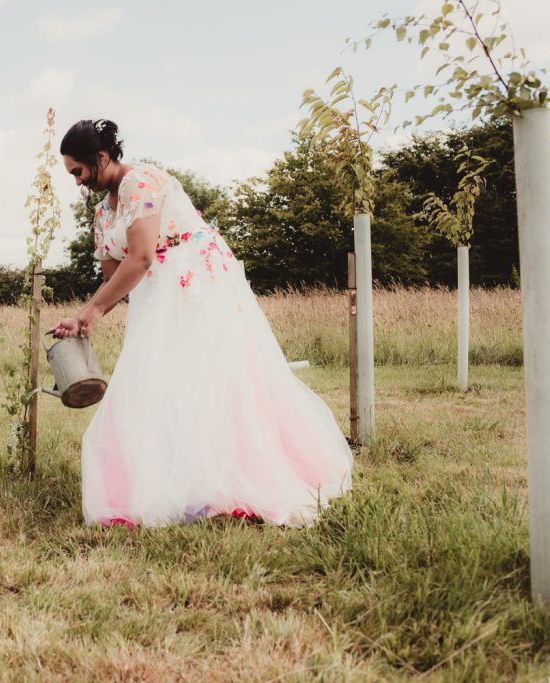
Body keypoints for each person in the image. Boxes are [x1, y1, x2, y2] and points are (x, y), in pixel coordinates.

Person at [52, 118, 352, 528]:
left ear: (101, 158)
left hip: (196, 283)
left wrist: (92, 311)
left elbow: (140, 257)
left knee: (213, 381)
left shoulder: (142, 182)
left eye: (79, 171)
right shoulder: (103, 214)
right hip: (155, 296)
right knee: (162, 386)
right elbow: (114, 278)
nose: (77, 181)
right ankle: (185, 485)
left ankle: (231, 481)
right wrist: (82, 320)